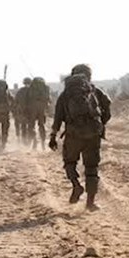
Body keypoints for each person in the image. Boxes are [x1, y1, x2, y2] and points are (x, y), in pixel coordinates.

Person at [49, 64, 111, 210]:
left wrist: (53, 136)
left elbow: (58, 117)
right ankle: (90, 203)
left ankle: (76, 185)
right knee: (92, 167)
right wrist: (99, 124)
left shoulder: (65, 94)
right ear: (89, 75)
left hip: (73, 135)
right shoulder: (95, 91)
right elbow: (107, 110)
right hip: (93, 135)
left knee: (69, 162)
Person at [25, 76, 50, 150]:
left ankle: (34, 140)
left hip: (32, 108)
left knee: (31, 126)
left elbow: (27, 99)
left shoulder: (31, 88)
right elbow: (48, 99)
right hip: (42, 108)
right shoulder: (45, 88)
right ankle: (43, 144)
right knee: (41, 125)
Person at [14, 78, 31, 144]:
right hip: (30, 112)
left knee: (23, 126)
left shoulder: (20, 91)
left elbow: (16, 101)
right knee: (30, 126)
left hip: (22, 111)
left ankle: (24, 141)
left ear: (24, 83)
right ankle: (30, 140)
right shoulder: (33, 90)